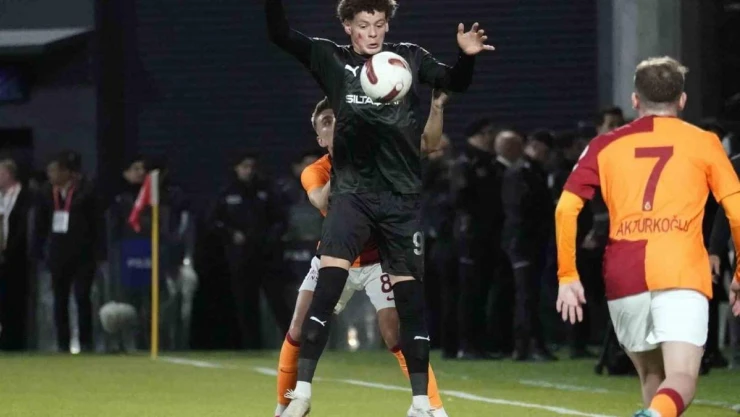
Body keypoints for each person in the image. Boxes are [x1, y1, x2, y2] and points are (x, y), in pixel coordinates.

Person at [265, 0, 492, 415]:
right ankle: (300, 395)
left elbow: (452, 82)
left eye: (380, 24)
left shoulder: (409, 58)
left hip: (399, 199)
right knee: (323, 295)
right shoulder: (333, 60)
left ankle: (422, 404)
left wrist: (466, 58)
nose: (373, 33)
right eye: (364, 25)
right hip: (352, 195)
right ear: (347, 27)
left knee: (409, 309)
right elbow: (281, 35)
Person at [554, 56, 740, 417]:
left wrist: (567, 275)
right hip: (680, 270)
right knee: (682, 375)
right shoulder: (705, 142)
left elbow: (565, 209)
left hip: (624, 273)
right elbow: (736, 210)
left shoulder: (603, 145)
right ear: (682, 100)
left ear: (635, 100)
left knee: (653, 374)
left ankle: (653, 412)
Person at [275, 94, 450, 417]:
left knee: (395, 334)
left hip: (378, 260)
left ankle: (433, 409)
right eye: (326, 122)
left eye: (339, 118)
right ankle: (283, 407)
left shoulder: (380, 155)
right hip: (334, 260)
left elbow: (429, 144)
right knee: (298, 328)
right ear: (320, 138)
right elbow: (322, 201)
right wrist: (345, 161)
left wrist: (436, 107)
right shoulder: (316, 170)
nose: (335, 125)